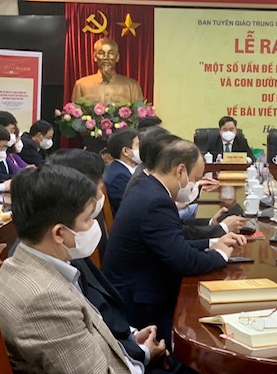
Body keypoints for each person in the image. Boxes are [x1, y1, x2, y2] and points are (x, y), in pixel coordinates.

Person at [47, 149, 182, 373]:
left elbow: (100, 313)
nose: (93, 224)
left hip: (123, 337)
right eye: (88, 218)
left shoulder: (68, 249)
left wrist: (133, 340)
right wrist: (143, 354)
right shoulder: (48, 286)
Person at [103, 139, 246, 343]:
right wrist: (221, 254)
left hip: (139, 284)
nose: (196, 185)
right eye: (196, 179)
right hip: (140, 302)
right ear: (180, 171)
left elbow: (173, 242)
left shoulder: (148, 187)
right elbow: (185, 261)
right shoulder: (156, 201)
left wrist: (211, 243)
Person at [0, 165, 135, 373]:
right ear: (59, 233)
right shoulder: (46, 300)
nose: (94, 224)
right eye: (88, 219)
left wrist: (133, 348)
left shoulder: (21, 262)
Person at [123, 126, 245, 236]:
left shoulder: (148, 180)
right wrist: (220, 235)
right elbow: (178, 241)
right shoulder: (151, 193)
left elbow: (177, 226)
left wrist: (212, 223)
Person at [71, 37, 144, 103]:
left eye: (111, 53)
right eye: (101, 53)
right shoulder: (81, 85)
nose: (106, 57)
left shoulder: (132, 86)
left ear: (117, 57)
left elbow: (139, 112)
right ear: (95, 57)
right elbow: (74, 112)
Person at [104, 129, 140, 215]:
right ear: (126, 151)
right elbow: (134, 207)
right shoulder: (118, 177)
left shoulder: (136, 167)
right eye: (138, 145)